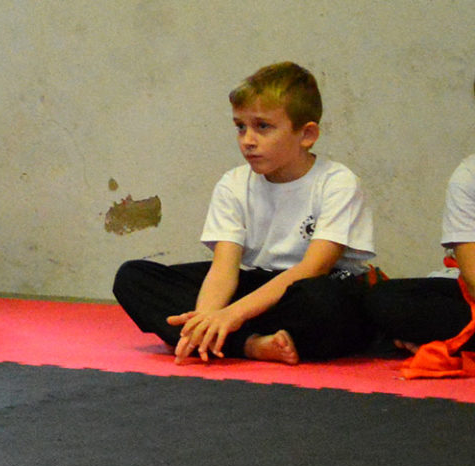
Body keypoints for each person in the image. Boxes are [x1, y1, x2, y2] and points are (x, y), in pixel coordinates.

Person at [113, 61, 378, 364]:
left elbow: (313, 268)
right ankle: (250, 344)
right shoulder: (234, 184)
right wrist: (208, 318)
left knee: (325, 303)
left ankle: (234, 335)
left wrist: (232, 314)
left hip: (312, 289)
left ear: (306, 134)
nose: (248, 140)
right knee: (134, 277)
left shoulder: (337, 183)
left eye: (263, 127)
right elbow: (225, 268)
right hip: (256, 287)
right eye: (240, 127)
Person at [365, 98, 475, 356]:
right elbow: (472, 276)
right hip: (469, 297)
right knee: (384, 300)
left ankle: (446, 343)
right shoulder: (469, 175)